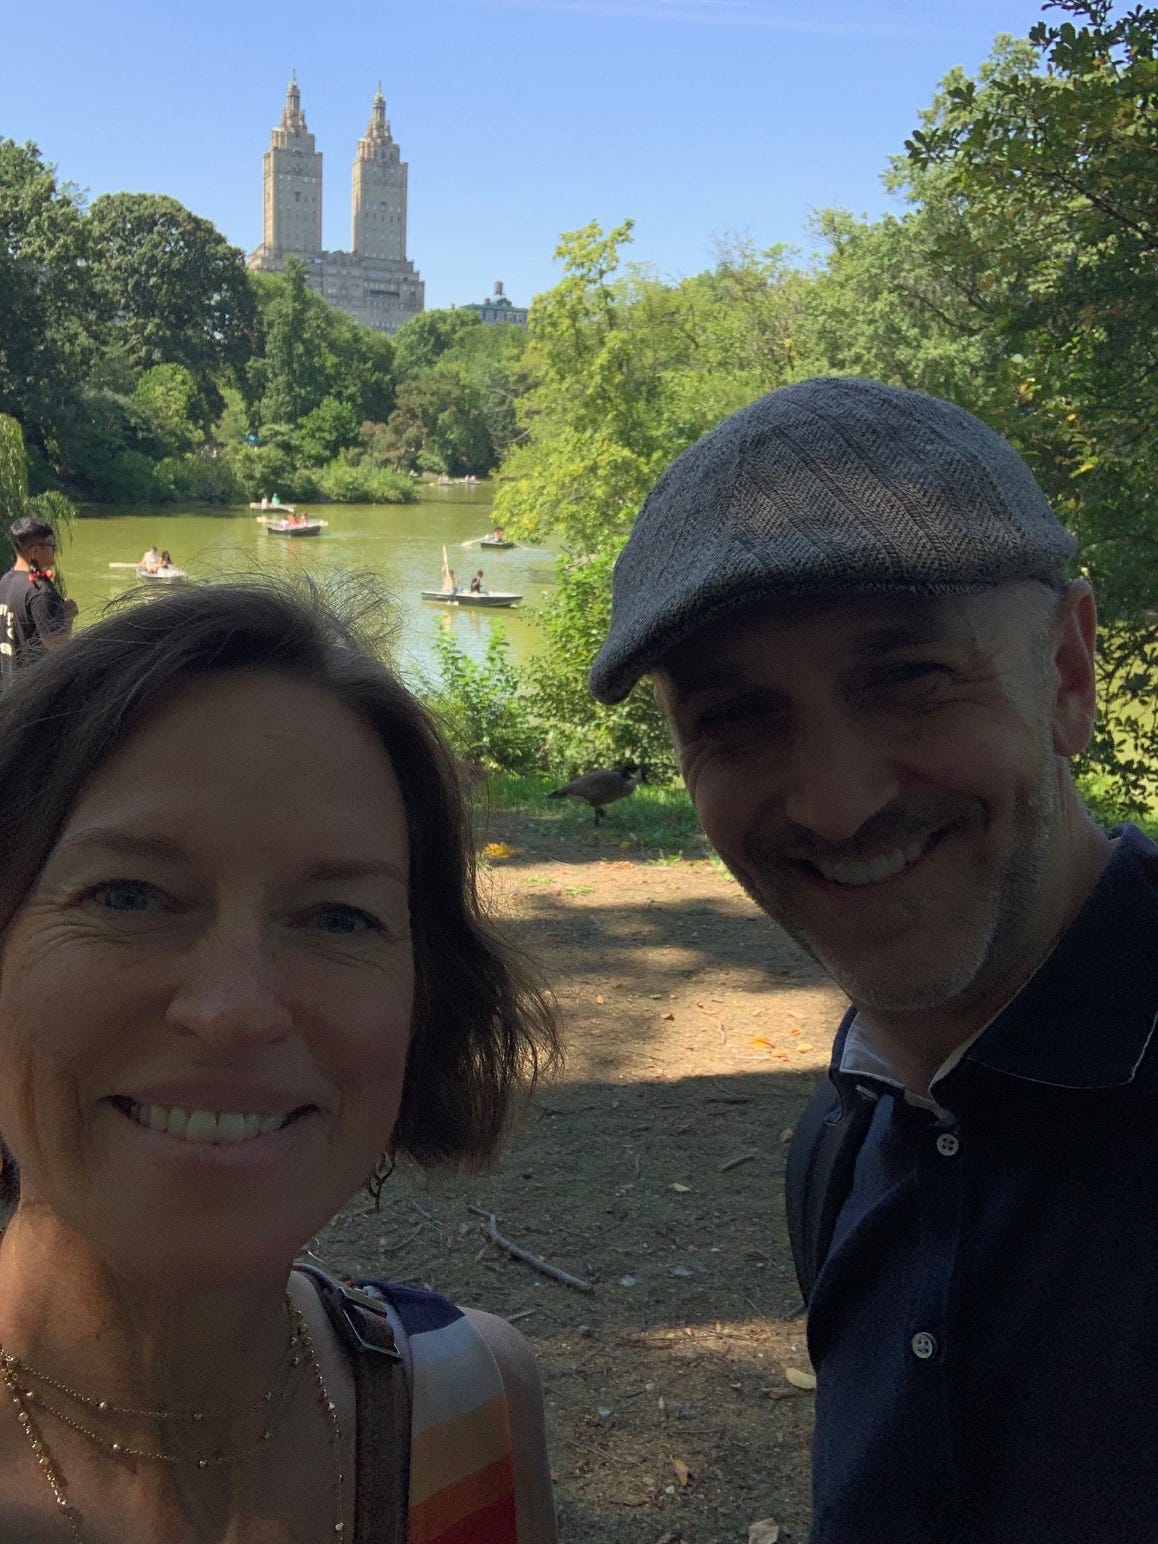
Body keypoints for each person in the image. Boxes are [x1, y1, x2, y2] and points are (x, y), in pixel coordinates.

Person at [588, 376, 1158, 1543]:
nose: (838, 804)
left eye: (907, 678)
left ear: (1066, 672)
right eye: (738, 719)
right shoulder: (851, 1135)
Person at [0, 579, 561, 1541]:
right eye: (129, 896)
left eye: (340, 917)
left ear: (426, 1002)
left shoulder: (471, 1415)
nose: (234, 1011)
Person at [0, 516, 77, 675]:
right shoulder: (40, 591)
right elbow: (57, 647)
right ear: (35, 550)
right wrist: (68, 617)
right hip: (35, 688)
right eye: (51, 546)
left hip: (9, 686)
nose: (54, 551)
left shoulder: (5, 581)